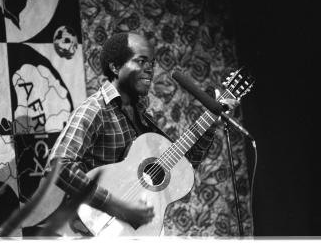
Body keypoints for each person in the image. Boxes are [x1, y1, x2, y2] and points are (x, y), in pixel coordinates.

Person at [49, 32, 236, 234]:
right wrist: (116, 206)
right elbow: (59, 166)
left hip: (139, 230)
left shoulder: (142, 116)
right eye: (141, 61)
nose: (150, 68)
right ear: (115, 67)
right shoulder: (95, 110)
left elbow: (185, 166)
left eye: (152, 63)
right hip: (97, 228)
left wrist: (211, 122)